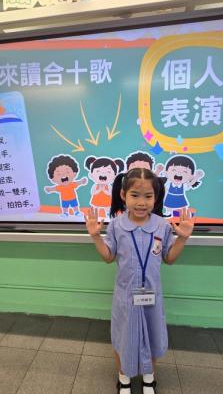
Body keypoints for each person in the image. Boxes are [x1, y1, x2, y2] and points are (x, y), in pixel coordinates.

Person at [84, 167, 195, 394]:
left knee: (152, 337)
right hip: (125, 297)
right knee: (123, 338)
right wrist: (95, 236)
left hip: (151, 296)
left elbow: (169, 258)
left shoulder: (162, 226)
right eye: (135, 195)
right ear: (123, 195)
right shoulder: (116, 225)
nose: (141, 202)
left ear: (156, 197)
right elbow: (108, 257)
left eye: (148, 196)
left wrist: (182, 239)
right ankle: (123, 379)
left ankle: (149, 379)